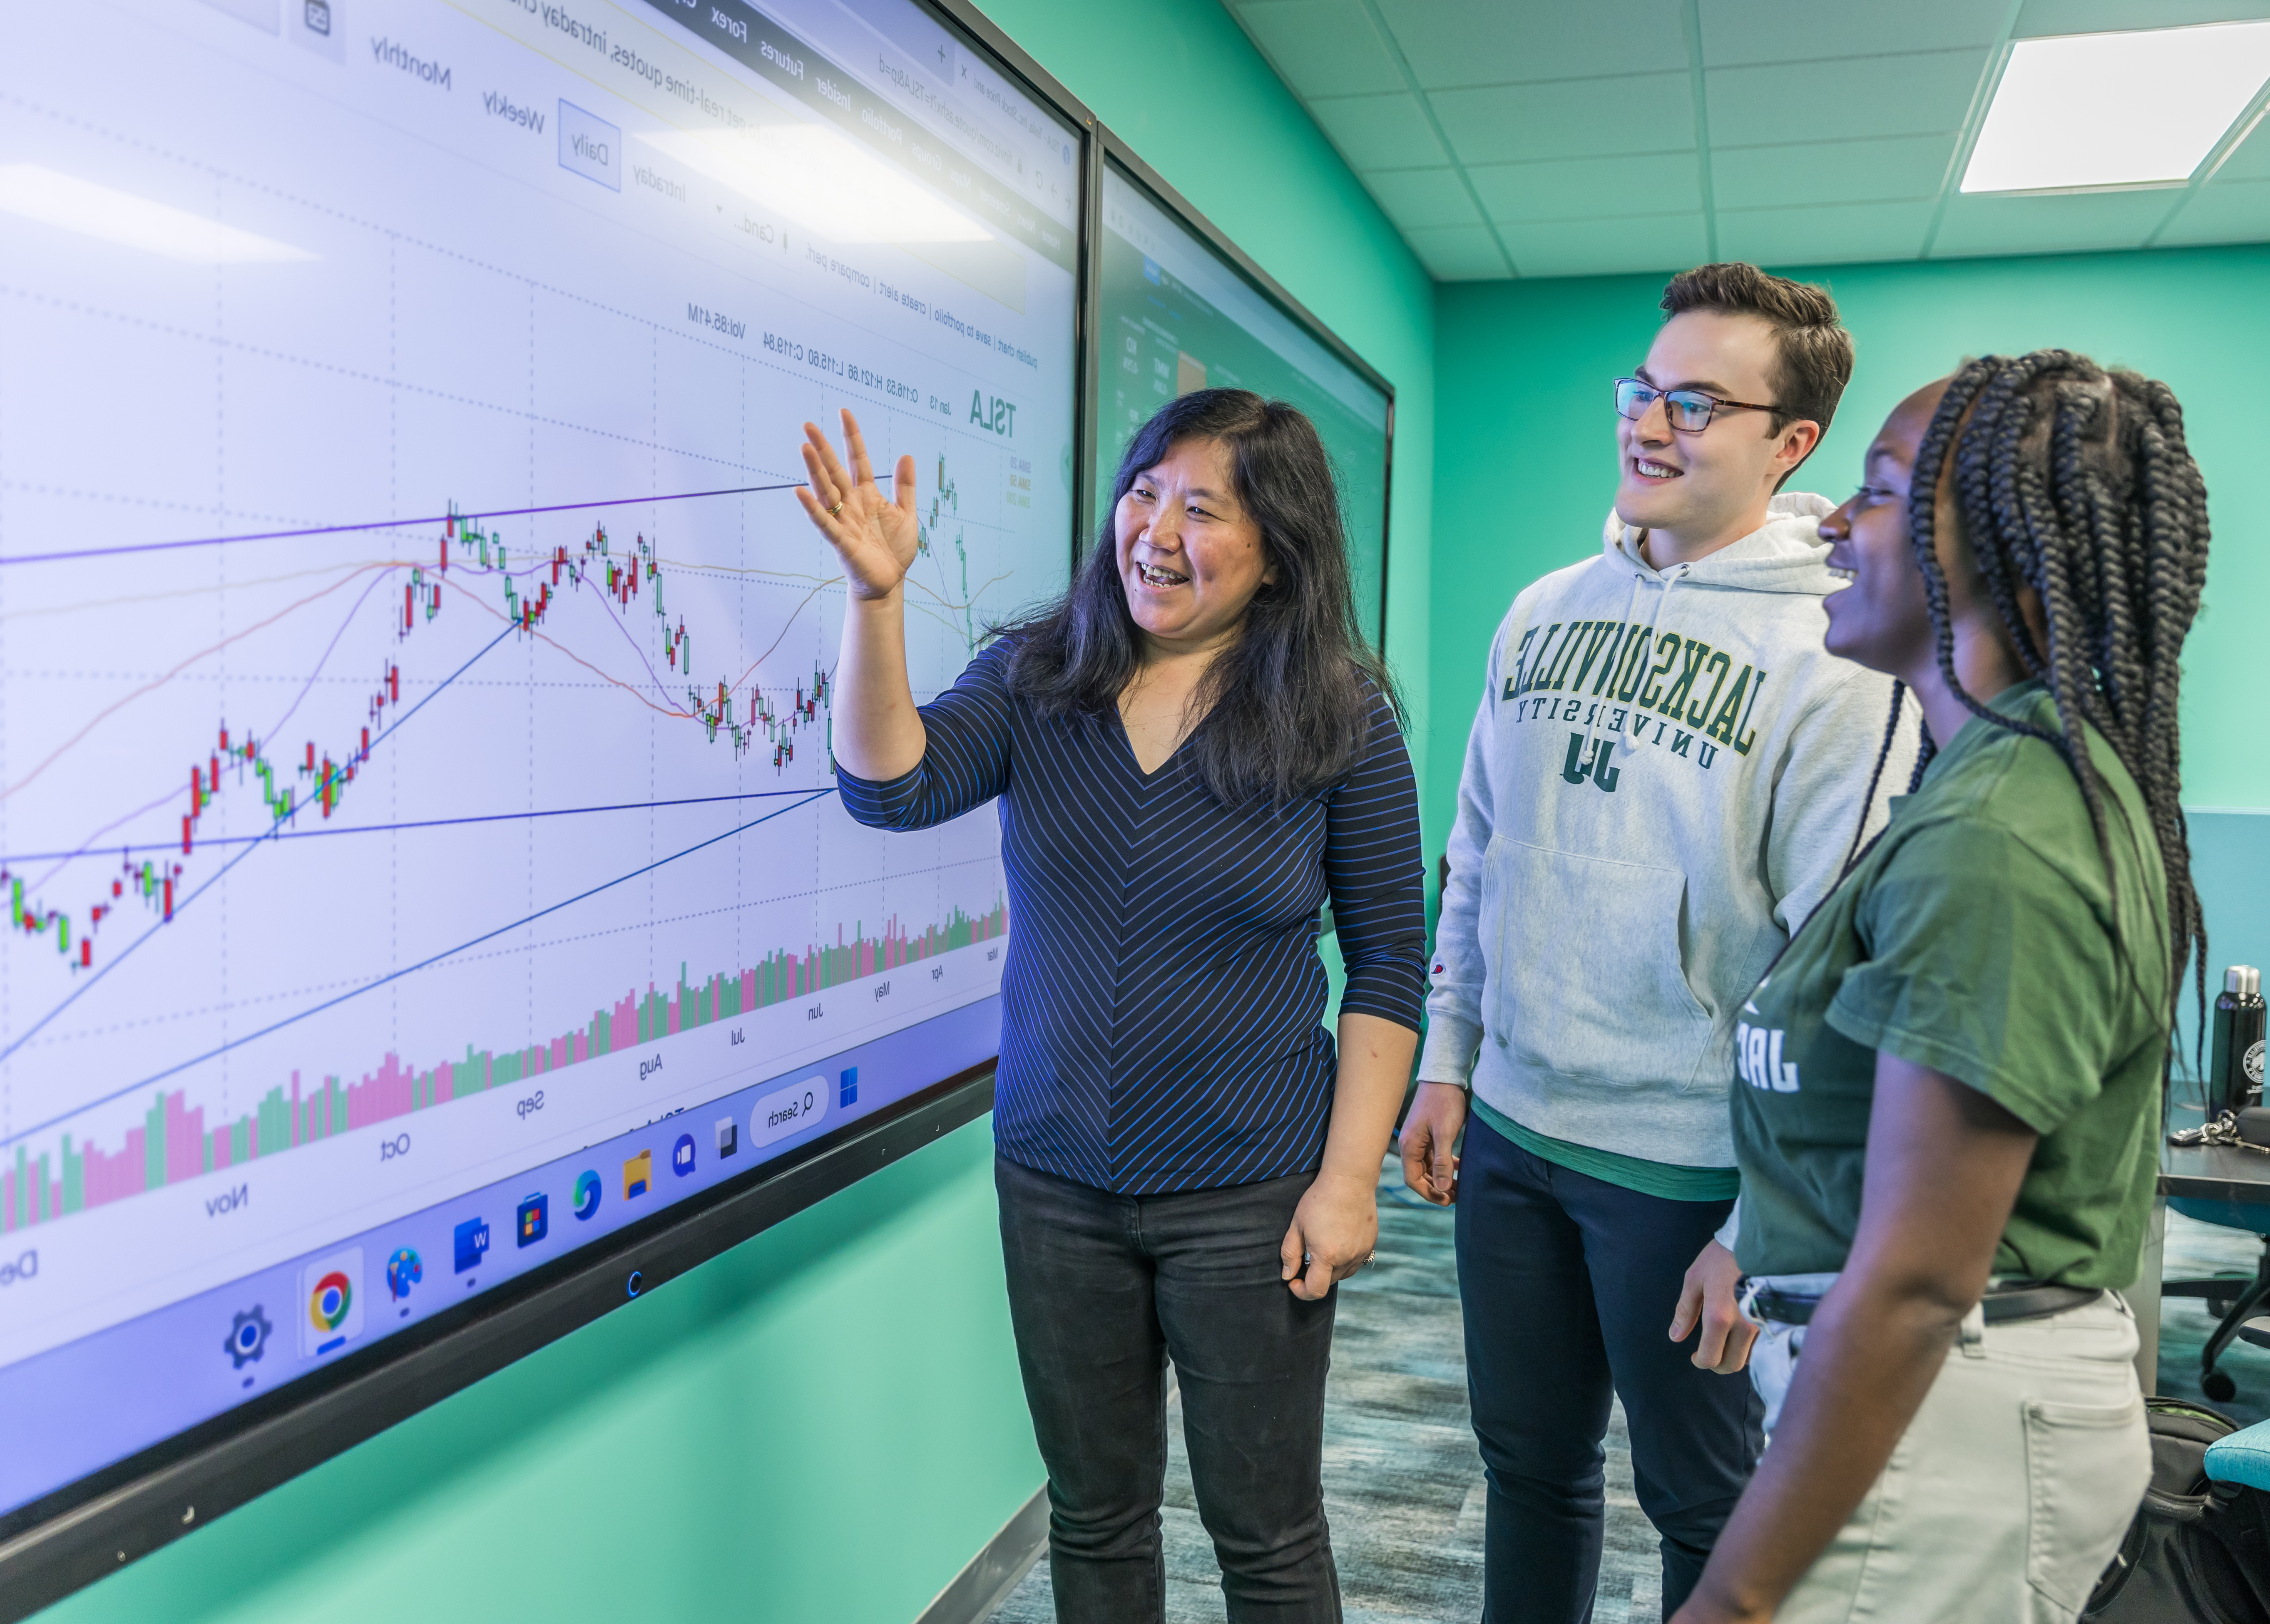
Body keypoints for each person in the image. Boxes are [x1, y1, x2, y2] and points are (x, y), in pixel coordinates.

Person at [798, 389, 1427, 1623]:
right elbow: (893, 790)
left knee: (1266, 1532)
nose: (1155, 528)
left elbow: (1390, 962)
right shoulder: (1040, 678)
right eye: (1145, 491)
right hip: (1054, 1180)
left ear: (1278, 549)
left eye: (1204, 508)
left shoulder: (1339, 718)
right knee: (1094, 1517)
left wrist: (1347, 1180)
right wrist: (876, 604)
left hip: (1251, 1190)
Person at [1400, 262, 1914, 1619]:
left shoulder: (1835, 655)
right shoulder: (1539, 608)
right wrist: (1447, 1059)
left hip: (1687, 1173)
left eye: (1697, 401)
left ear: (1789, 442)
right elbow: (1477, 855)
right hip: (1513, 1130)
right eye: (1643, 388)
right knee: (1528, 1467)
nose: (1650, 422)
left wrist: (1764, 1221)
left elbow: (1834, 965)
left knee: (1701, 1504)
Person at [1672, 351, 2209, 1624]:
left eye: (1875, 489)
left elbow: (1916, 1280)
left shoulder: (2003, 833)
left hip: (1944, 1428)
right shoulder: (1988, 788)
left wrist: (1732, 1597)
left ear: (2007, 553)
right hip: (1926, 1413)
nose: (1832, 524)